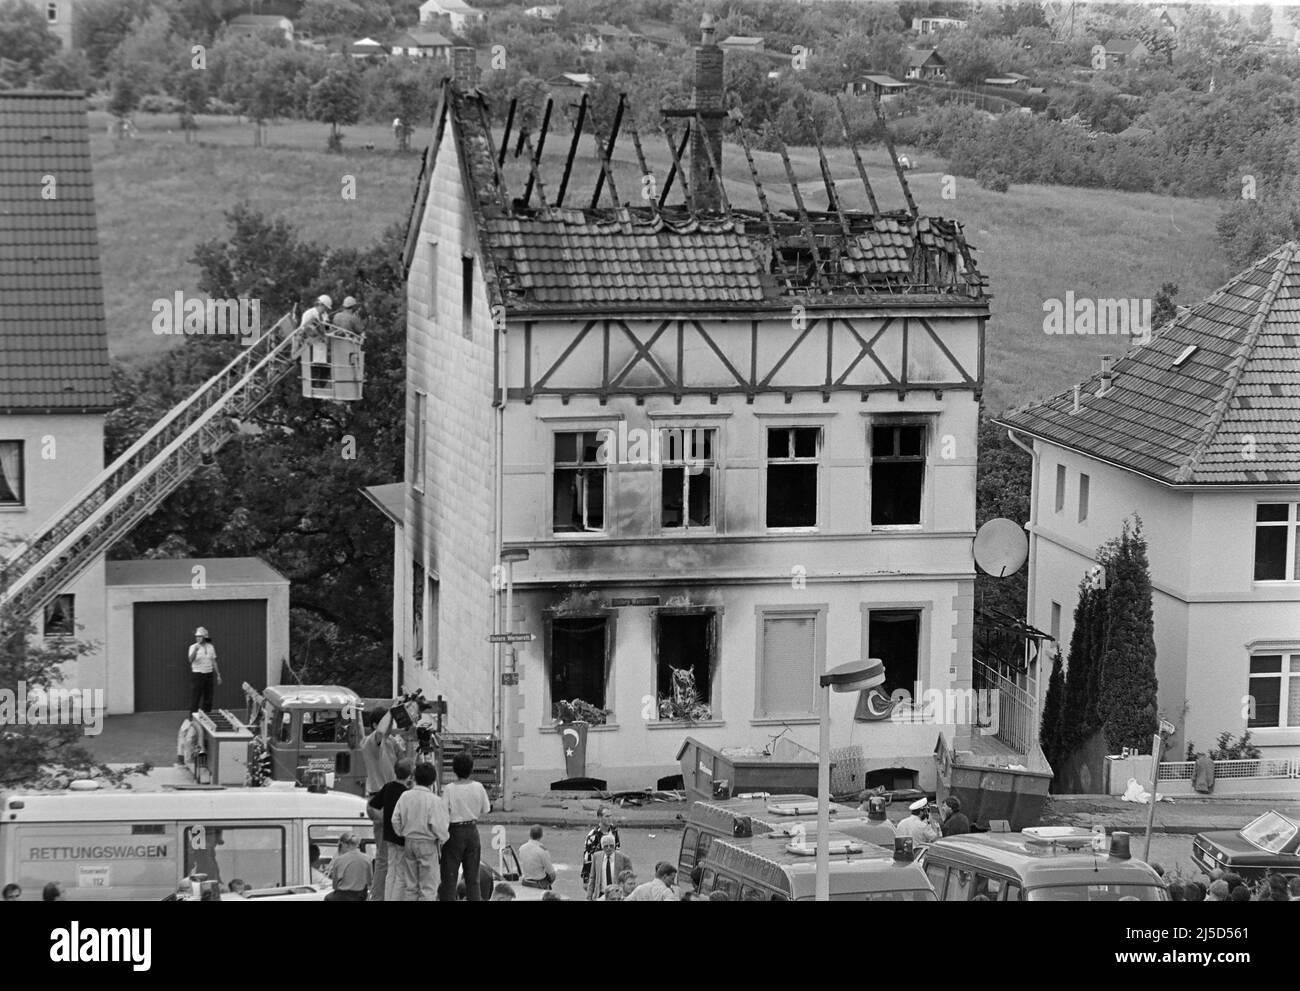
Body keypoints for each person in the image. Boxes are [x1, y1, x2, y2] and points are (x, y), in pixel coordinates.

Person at [360, 703, 404, 901]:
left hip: (393, 796)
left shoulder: (391, 743)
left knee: (395, 857)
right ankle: (378, 897)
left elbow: (404, 766)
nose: (391, 726)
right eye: (388, 722)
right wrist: (393, 709)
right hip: (381, 799)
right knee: (384, 858)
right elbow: (380, 732)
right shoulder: (371, 742)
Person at [439, 752, 492, 902]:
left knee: (449, 877)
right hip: (472, 830)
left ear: (454, 770)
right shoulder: (478, 787)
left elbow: (443, 811)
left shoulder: (449, 788)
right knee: (472, 878)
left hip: (454, 831)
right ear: (471, 769)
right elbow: (486, 809)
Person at [392, 762, 449, 901]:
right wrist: (443, 838)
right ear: (433, 780)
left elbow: (395, 819)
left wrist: (401, 832)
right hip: (427, 843)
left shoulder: (405, 796)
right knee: (428, 887)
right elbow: (439, 826)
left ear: (414, 777)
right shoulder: (435, 800)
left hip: (409, 841)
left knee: (411, 886)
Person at [369, 757, 414, 900]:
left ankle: (383, 896)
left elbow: (372, 806)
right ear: (410, 775)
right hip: (400, 837)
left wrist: (382, 819)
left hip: (387, 836)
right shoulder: (406, 793)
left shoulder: (388, 787)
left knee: (388, 869)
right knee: (400, 873)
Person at [581, 806, 621, 886]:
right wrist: (586, 879)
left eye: (610, 816)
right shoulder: (593, 836)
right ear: (599, 818)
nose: (610, 819)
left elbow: (617, 849)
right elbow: (588, 858)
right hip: (598, 873)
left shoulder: (614, 831)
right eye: (607, 816)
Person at [586, 833, 632, 901]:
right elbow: (592, 878)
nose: (609, 848)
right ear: (602, 847)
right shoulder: (596, 857)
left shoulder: (624, 858)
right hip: (600, 894)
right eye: (606, 846)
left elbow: (629, 879)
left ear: (614, 846)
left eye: (611, 846)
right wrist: (589, 897)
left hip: (617, 896)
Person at [187, 627, 220, 714]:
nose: (198, 638)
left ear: (205, 637)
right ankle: (193, 716)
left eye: (200, 636)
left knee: (208, 697)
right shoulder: (192, 647)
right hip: (197, 674)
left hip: (209, 674)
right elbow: (190, 660)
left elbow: (214, 661)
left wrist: (218, 675)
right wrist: (195, 650)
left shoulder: (210, 647)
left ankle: (207, 715)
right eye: (197, 636)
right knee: (196, 696)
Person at [519, 824, 557, 890]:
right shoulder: (542, 850)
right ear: (541, 835)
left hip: (525, 882)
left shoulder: (521, 848)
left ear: (530, 834)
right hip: (539, 884)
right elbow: (552, 875)